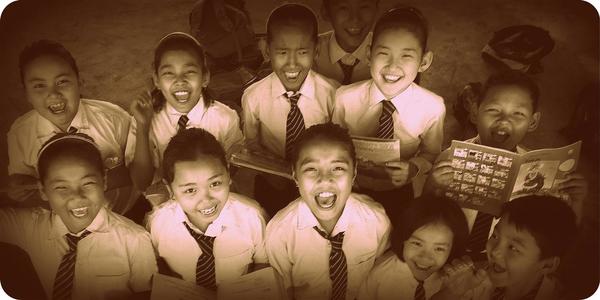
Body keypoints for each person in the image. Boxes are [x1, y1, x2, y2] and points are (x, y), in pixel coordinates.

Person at [425, 71, 588, 260]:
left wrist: (577, 201)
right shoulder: (451, 157)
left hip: (502, 259)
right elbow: (424, 211)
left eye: (518, 114)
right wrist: (432, 183)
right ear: (475, 112)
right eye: (494, 110)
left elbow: (559, 233)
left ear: (533, 122)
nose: (504, 121)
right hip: (448, 250)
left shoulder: (538, 169)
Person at [0, 133, 157, 300]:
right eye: (61, 187)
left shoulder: (135, 240)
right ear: (42, 190)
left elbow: (148, 295)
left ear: (104, 181)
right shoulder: (29, 227)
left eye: (88, 183)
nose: (77, 197)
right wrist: (9, 195)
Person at [332, 6, 443, 223]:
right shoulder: (344, 98)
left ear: (424, 61)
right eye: (383, 54)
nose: (393, 66)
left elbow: (431, 154)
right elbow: (334, 143)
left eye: (406, 56)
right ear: (368, 54)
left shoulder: (433, 107)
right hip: (351, 185)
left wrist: (413, 168)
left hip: (399, 189)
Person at [266, 123, 391, 300]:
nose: (325, 179)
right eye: (311, 169)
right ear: (295, 176)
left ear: (354, 173)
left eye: (338, 168)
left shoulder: (376, 221)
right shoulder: (280, 233)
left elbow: (381, 277)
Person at [7, 40, 132, 212]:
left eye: (62, 82)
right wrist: (18, 188)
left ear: (80, 82)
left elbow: (139, 172)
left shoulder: (115, 119)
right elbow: (21, 182)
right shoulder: (20, 134)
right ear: (26, 94)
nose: (53, 94)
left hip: (121, 212)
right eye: (39, 86)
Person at [242, 3, 339, 217]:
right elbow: (252, 143)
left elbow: (338, 143)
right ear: (267, 50)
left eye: (303, 52)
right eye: (282, 52)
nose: (292, 63)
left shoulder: (332, 94)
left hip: (320, 180)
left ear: (317, 50)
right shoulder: (253, 96)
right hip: (271, 180)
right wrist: (272, 171)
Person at [147, 128, 268, 289]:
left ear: (228, 175)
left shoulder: (252, 217)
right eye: (190, 190)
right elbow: (155, 265)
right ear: (170, 190)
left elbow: (263, 264)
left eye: (215, 184)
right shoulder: (158, 223)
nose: (206, 200)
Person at [125, 31, 243, 195]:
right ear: (156, 80)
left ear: (205, 78)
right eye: (168, 73)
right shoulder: (143, 119)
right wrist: (143, 128)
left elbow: (233, 167)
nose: (180, 80)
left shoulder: (225, 118)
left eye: (189, 71)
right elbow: (141, 182)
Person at [434, 195, 578, 300]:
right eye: (495, 236)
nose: (495, 251)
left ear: (547, 265)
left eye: (513, 248)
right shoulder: (472, 280)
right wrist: (451, 293)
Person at [358, 196, 469, 300]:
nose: (425, 257)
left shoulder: (460, 281)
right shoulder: (380, 274)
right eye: (417, 244)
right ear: (403, 239)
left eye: (439, 249)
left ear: (453, 248)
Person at [314, 0, 379, 85]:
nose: (355, 19)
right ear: (325, 12)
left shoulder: (391, 53)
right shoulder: (309, 53)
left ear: (376, 10)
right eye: (343, 8)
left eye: (364, 7)